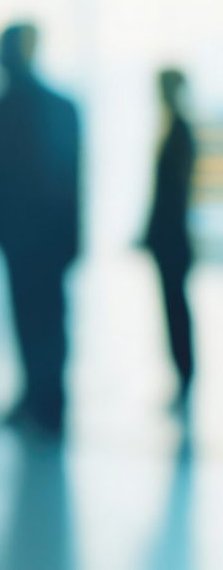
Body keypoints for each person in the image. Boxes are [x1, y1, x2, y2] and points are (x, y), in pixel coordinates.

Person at [0, 23, 81, 438]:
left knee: (34, 320)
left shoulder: (2, 111)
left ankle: (46, 403)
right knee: (42, 320)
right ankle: (43, 401)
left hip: (27, 240)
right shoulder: (61, 107)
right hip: (40, 240)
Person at [141, 67, 196, 410]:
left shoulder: (178, 132)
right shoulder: (172, 130)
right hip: (169, 240)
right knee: (174, 310)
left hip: (173, 241)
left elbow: (171, 196)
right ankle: (182, 376)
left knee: (176, 311)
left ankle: (185, 375)